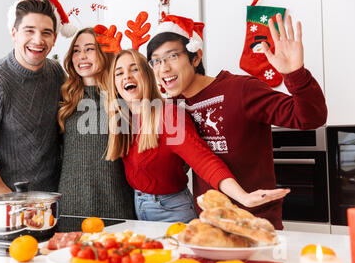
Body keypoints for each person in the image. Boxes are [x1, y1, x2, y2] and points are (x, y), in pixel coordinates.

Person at [146, 14, 327, 229]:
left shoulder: (241, 90)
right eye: (156, 61)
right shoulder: (173, 106)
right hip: (209, 225)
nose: (163, 68)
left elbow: (310, 118)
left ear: (195, 57)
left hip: (256, 223)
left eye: (172, 56)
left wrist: (295, 73)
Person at [105, 49, 289, 223]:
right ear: (114, 83)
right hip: (136, 206)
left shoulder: (169, 115)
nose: (127, 76)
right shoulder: (121, 120)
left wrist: (243, 197)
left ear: (147, 75)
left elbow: (204, 161)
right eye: (119, 73)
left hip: (172, 210)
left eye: (134, 69)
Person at [0, 0, 76, 195]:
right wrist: (16, 204)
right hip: (12, 210)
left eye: (46, 32)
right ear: (14, 33)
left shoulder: (56, 72)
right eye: (29, 31)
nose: (38, 40)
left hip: (55, 202)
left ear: (55, 38)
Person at [57, 28, 136, 219]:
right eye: (76, 50)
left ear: (104, 52)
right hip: (71, 208)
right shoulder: (64, 100)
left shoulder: (123, 98)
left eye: (89, 49)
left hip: (116, 205)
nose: (82, 56)